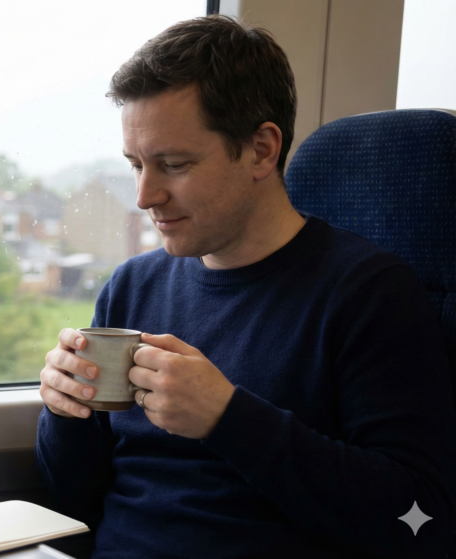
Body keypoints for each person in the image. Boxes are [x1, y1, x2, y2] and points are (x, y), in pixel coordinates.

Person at [36, 15, 456, 559]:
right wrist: (63, 411)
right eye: (136, 164)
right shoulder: (132, 288)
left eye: (174, 165)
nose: (144, 196)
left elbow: (419, 522)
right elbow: (72, 496)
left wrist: (228, 418)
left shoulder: (369, 295)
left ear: (261, 149)